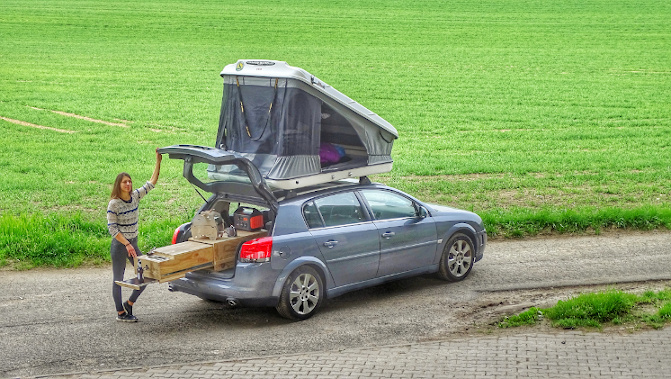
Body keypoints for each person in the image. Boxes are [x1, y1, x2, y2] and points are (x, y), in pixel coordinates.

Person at [107, 148, 162, 322]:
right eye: (125, 182)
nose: (128, 185)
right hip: (120, 246)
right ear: (119, 184)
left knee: (145, 276)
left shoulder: (136, 196)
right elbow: (112, 229)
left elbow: (152, 182)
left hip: (133, 243)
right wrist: (127, 244)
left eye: (129, 181)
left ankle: (129, 304)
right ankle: (120, 313)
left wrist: (158, 160)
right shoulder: (114, 204)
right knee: (118, 279)